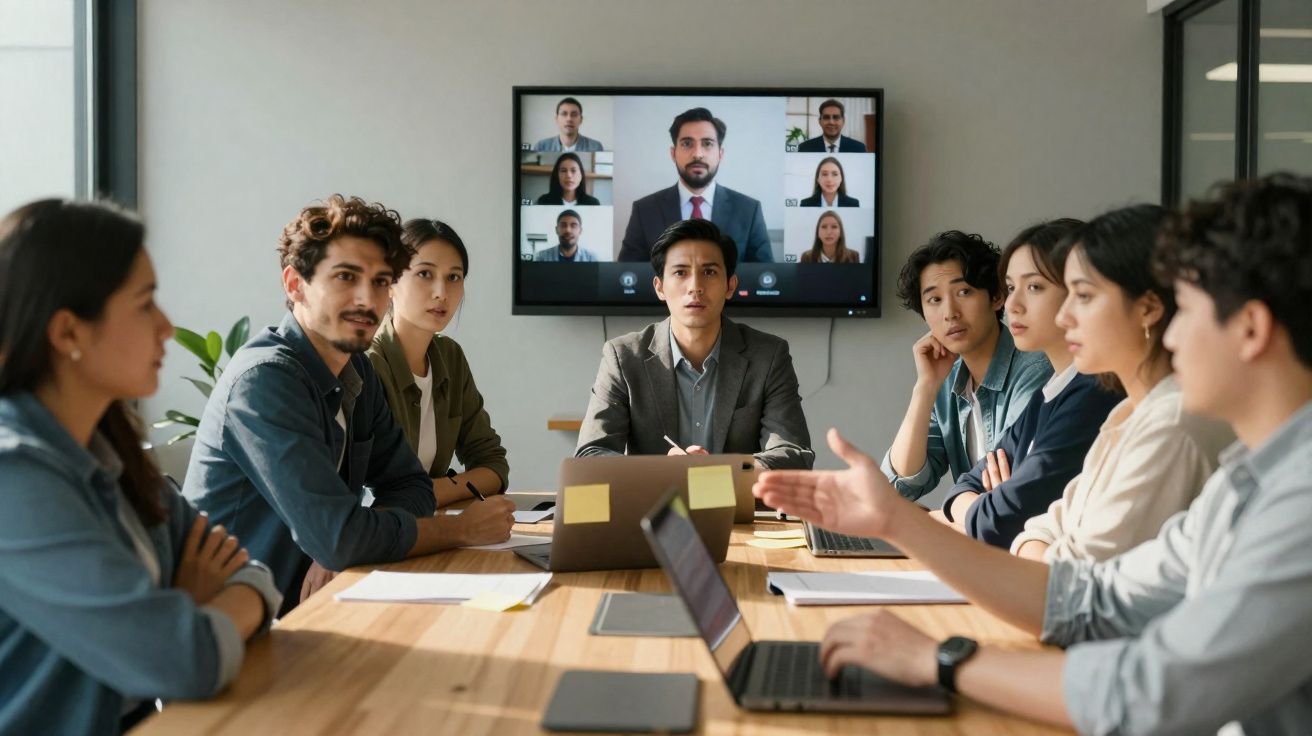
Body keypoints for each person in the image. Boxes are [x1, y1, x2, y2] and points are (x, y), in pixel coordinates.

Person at [752, 173, 1312, 736]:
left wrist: (940, 659)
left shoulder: (1291, 497)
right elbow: (1088, 596)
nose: (1170, 336)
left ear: (1250, 329)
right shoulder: (1245, 475)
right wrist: (895, 519)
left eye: (1185, 311)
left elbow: (1151, 691)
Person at [0, 199, 280, 734]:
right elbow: (182, 660)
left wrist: (193, 613)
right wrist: (184, 616)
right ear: (69, 333)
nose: (168, 328)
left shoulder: (107, 447)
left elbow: (251, 572)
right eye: (145, 304)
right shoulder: (13, 475)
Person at [184, 195, 514, 611]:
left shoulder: (356, 370)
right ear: (294, 284)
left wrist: (357, 542)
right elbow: (340, 538)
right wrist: (457, 531)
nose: (367, 299)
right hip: (238, 628)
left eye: (379, 281)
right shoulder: (265, 380)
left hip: (325, 602)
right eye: (345, 277)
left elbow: (409, 486)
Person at [1006, 205, 1232, 562]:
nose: (1064, 317)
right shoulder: (1128, 413)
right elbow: (1040, 528)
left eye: (1083, 296)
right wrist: (1041, 547)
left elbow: (1073, 579)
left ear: (1148, 308)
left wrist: (1041, 550)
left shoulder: (1171, 425)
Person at [937, 219, 1123, 548]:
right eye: (1010, 288)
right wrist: (976, 505)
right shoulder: (1050, 392)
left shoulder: (1095, 392)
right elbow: (965, 486)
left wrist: (976, 509)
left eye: (1034, 287)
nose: (1012, 305)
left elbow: (1003, 522)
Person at [577, 219, 812, 469]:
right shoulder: (623, 357)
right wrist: (664, 470)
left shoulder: (769, 355)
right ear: (660, 287)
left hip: (736, 504)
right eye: (680, 272)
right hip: (654, 504)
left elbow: (793, 454)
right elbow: (591, 453)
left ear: (730, 285)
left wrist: (722, 471)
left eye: (709, 272)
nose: (695, 287)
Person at [881, 230, 1052, 501]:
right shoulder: (946, 380)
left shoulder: (1036, 370)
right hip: (978, 531)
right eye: (934, 299)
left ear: (997, 297)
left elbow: (1013, 489)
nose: (950, 312)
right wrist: (925, 388)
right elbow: (898, 487)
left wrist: (945, 514)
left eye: (964, 291)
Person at [367, 219, 510, 507]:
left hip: (431, 523)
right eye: (424, 274)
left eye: (454, 277)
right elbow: (388, 493)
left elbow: (494, 464)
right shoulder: (368, 363)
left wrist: (434, 492)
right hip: (379, 535)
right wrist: (453, 488)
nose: (441, 292)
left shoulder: (450, 357)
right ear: (390, 282)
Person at [617, 107, 774, 264]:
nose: (697, 153)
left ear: (720, 154)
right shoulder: (644, 210)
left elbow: (765, 278)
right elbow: (627, 277)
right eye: (687, 144)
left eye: (707, 143)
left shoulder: (748, 210)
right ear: (673, 153)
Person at [533, 97, 605, 152]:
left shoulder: (595, 147)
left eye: (574, 114)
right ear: (556, 119)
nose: (569, 119)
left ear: (581, 120)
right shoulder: (541, 146)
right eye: (564, 114)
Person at [796, 99, 867, 153]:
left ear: (843, 121)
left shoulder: (858, 148)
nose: (831, 122)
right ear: (820, 121)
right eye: (826, 117)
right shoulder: (805, 148)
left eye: (836, 117)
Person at [535, 152, 601, 206]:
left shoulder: (593, 204)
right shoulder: (543, 201)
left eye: (573, 170)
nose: (568, 175)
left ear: (581, 175)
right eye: (563, 171)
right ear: (557, 175)